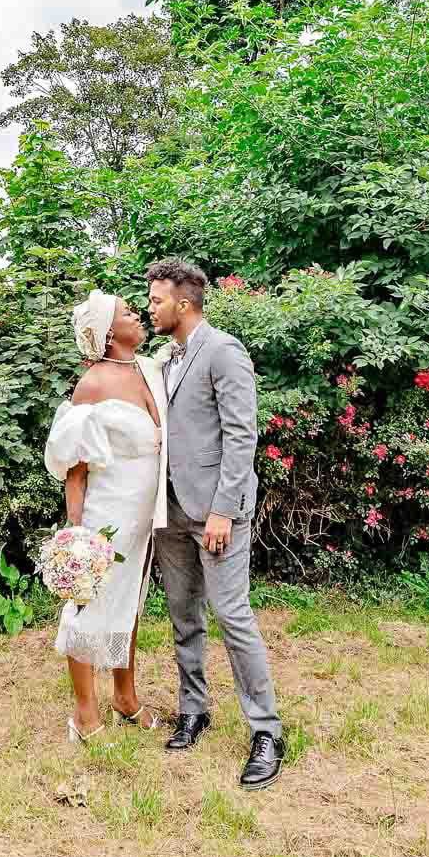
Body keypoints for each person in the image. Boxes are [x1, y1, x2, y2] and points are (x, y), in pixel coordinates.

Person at [146, 258, 285, 791]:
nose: (149, 307)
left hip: (217, 511)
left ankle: (267, 731)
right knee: (184, 615)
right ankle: (194, 709)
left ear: (184, 304)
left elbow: (241, 436)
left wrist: (224, 511)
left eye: (156, 300)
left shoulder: (223, 351)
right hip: (171, 509)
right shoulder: (167, 358)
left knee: (233, 616)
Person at [43, 290, 170, 741]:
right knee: (88, 606)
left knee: (129, 608)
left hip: (143, 520)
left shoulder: (149, 370)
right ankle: (84, 712)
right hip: (106, 517)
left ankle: (125, 698)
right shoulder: (93, 384)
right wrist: (77, 534)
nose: (138, 314)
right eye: (127, 312)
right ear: (108, 331)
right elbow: (75, 471)